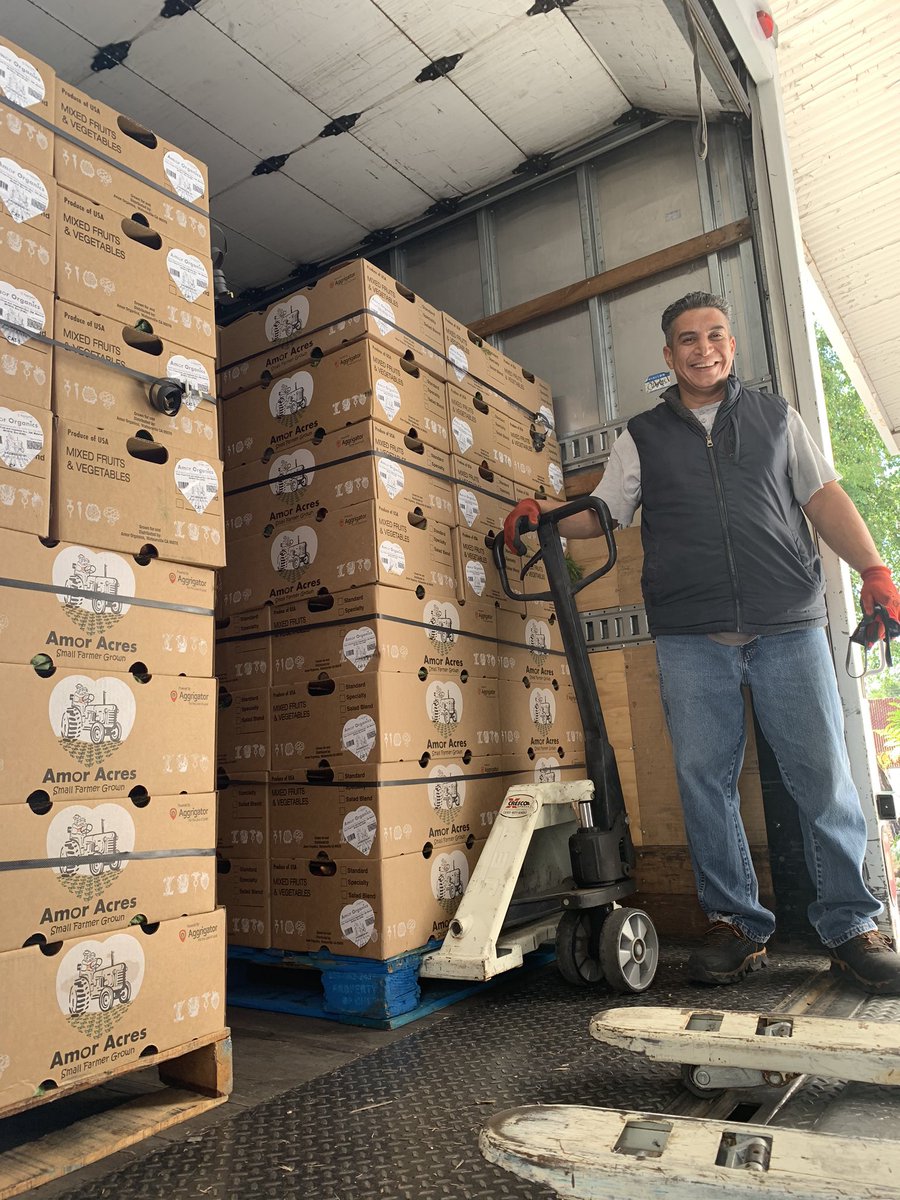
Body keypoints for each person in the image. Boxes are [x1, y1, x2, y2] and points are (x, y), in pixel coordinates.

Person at [503, 292, 900, 993]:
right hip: (690, 633)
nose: (703, 348)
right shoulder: (644, 436)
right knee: (705, 784)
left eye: (715, 335)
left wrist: (874, 570)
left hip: (786, 623)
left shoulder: (776, 417)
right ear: (669, 355)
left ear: (731, 346)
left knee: (824, 780)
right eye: (687, 339)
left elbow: (823, 497)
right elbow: (605, 511)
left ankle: (851, 928)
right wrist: (548, 515)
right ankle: (735, 926)